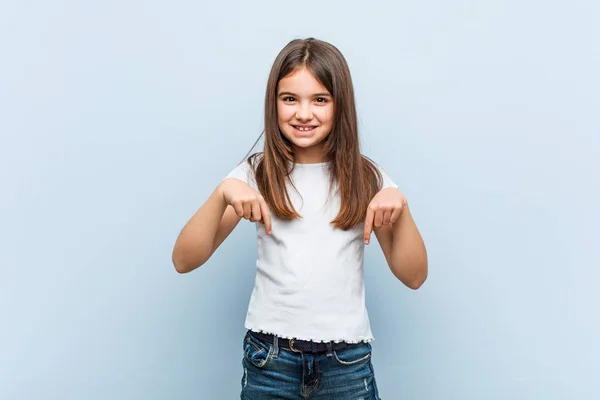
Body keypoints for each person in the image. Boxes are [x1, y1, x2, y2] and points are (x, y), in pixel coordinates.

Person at [172, 37, 428, 399]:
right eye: (290, 99)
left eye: (320, 100)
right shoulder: (255, 174)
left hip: (347, 364)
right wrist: (221, 193)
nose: (303, 113)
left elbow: (414, 276)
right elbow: (184, 260)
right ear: (273, 103)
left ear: (341, 106)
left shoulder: (366, 178)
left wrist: (399, 206)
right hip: (270, 361)